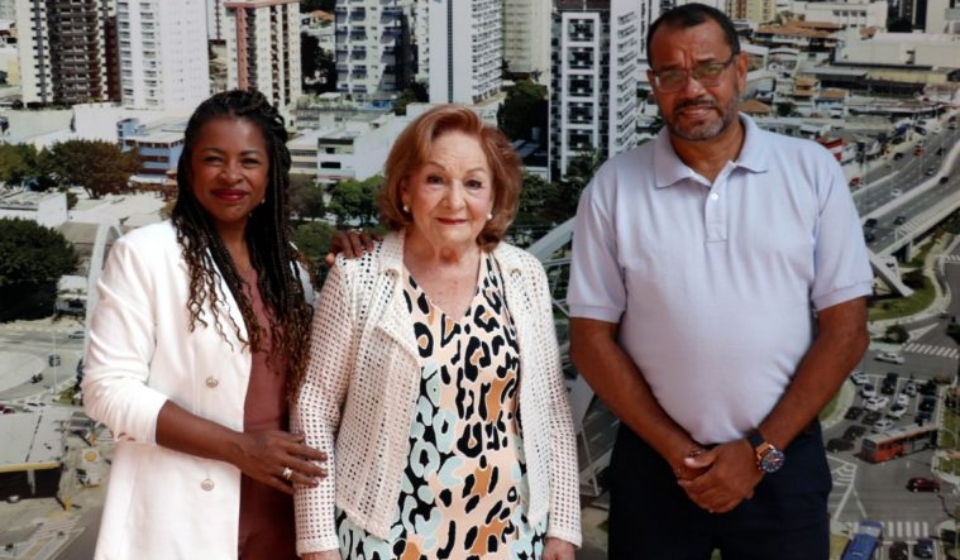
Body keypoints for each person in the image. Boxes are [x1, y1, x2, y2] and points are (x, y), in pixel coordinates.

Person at [567, 4, 873, 559]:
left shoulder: (811, 171)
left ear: (741, 69)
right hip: (657, 466)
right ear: (653, 84)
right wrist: (679, 452)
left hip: (781, 459)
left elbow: (847, 331)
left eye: (708, 68)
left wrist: (758, 452)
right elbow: (590, 340)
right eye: (672, 74)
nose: (693, 89)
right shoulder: (612, 188)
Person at [293, 105, 582, 560]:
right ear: (405, 187)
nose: (454, 201)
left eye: (473, 183)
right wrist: (318, 542)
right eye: (435, 179)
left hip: (507, 535)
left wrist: (563, 525)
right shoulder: (358, 277)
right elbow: (315, 405)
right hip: (383, 539)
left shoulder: (523, 276)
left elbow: (549, 405)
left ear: (493, 198)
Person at [82, 89, 327, 560]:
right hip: (183, 512)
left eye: (249, 161)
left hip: (283, 510)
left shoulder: (290, 266)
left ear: (271, 174)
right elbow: (107, 389)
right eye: (214, 159)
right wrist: (239, 448)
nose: (231, 175)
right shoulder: (145, 254)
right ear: (188, 167)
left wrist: (354, 263)